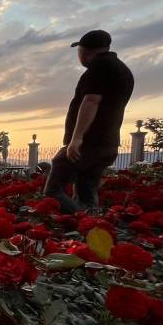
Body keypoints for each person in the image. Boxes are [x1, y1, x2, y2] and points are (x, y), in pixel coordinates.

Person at [43, 30, 134, 213]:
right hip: (107, 143)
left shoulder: (98, 68)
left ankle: (82, 219)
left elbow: (91, 101)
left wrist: (77, 138)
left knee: (53, 191)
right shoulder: (123, 70)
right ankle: (92, 224)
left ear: (84, 51)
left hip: (88, 143)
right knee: (86, 194)